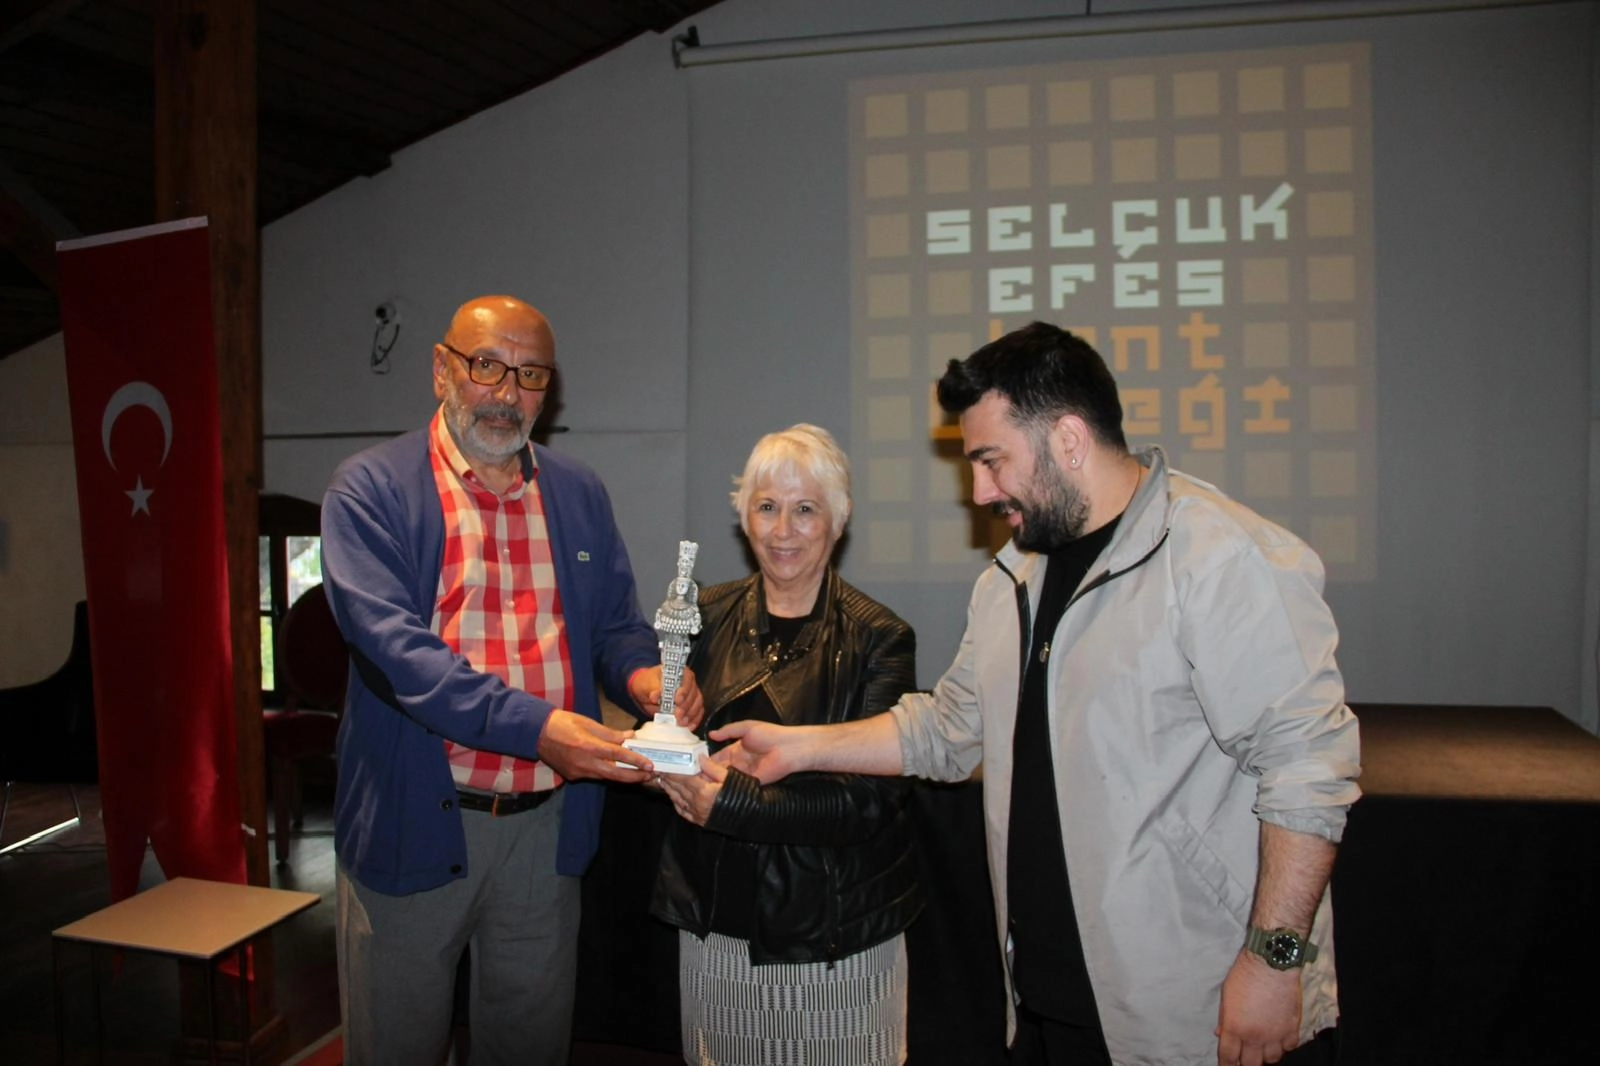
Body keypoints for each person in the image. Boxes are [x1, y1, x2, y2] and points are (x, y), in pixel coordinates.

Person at [714, 324, 1362, 1066]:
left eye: (992, 462)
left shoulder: (1219, 558)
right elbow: (947, 729)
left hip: (1197, 1014)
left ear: (1070, 440)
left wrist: (1276, 962)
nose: (981, 493)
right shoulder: (1014, 576)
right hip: (1047, 1008)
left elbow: (1310, 769)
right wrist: (796, 747)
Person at [320, 294, 703, 1066]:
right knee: (396, 1045)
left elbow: (614, 625)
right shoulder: (370, 490)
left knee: (529, 1044)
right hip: (415, 819)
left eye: (530, 375)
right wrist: (540, 729)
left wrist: (646, 679)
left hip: (544, 829)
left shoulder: (578, 492)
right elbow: (401, 658)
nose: (506, 392)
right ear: (441, 370)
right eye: (487, 366)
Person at [650, 423, 923, 1066]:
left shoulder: (880, 638)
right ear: (744, 516)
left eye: (805, 510)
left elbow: (869, 803)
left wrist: (735, 803)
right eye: (767, 506)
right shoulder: (703, 616)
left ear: (839, 520)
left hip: (833, 941)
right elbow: (677, 742)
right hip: (717, 929)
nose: (783, 531)